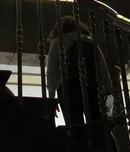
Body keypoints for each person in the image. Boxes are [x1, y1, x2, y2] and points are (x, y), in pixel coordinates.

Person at [47, 16, 113, 149]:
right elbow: (102, 70)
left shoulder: (57, 41)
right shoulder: (90, 42)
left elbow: (52, 72)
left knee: (75, 128)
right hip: (92, 87)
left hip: (68, 89)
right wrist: (110, 94)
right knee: (97, 126)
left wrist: (51, 98)